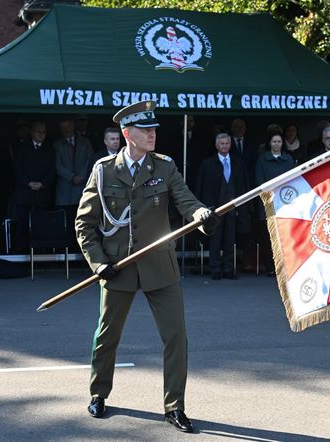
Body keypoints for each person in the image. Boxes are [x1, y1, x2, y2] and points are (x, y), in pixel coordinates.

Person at [75, 100, 219, 433]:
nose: (152, 134)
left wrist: (201, 217)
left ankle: (175, 405)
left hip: (159, 265)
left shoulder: (165, 167)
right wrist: (98, 263)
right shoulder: (104, 171)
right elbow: (84, 223)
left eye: (154, 129)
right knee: (106, 336)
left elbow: (186, 200)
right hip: (118, 265)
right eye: (145, 130)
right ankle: (98, 393)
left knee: (176, 337)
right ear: (127, 133)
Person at [195, 133, 250, 280]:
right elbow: (201, 186)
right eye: (222, 144)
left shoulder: (238, 163)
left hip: (233, 208)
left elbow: (244, 185)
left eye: (227, 143)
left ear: (230, 145)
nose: (225, 146)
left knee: (230, 240)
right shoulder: (208, 164)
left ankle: (228, 269)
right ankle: (215, 270)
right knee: (215, 240)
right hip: (214, 208)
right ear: (216, 145)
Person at [254, 133, 295, 275]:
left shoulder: (289, 160)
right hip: (268, 202)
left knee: (285, 237)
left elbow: (292, 180)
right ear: (269, 143)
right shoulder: (262, 160)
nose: (276, 144)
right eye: (274, 141)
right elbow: (259, 180)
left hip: (285, 202)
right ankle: (271, 268)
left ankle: (286, 268)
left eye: (279, 141)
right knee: (269, 238)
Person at [13, 121, 56, 250]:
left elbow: (53, 170)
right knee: (22, 226)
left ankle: (40, 255)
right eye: (38, 132)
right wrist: (28, 183)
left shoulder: (49, 148)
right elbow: (17, 169)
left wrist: (43, 184)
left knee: (41, 225)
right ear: (32, 133)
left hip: (42, 194)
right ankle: (21, 256)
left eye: (44, 132)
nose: (41, 135)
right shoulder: (22, 147)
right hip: (24, 195)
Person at [54, 117, 92, 250]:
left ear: (73, 126)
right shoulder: (57, 145)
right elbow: (57, 166)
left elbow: (90, 161)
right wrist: (72, 177)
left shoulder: (85, 142)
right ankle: (67, 250)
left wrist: (81, 176)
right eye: (62, 128)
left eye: (67, 127)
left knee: (82, 222)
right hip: (65, 191)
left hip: (82, 189)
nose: (65, 131)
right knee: (66, 223)